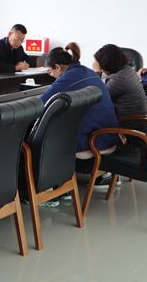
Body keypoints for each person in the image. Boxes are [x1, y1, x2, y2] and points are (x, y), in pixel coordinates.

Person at [41, 43, 119, 187]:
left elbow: (41, 104)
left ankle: (52, 187)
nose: (50, 75)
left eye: (50, 71)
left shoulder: (67, 78)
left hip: (92, 149)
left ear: (57, 67)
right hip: (109, 140)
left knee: (43, 136)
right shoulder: (87, 72)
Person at [93, 44, 147, 119]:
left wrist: (97, 72)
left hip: (128, 124)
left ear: (106, 63)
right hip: (139, 120)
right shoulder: (128, 70)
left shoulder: (118, 80)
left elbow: (97, 99)